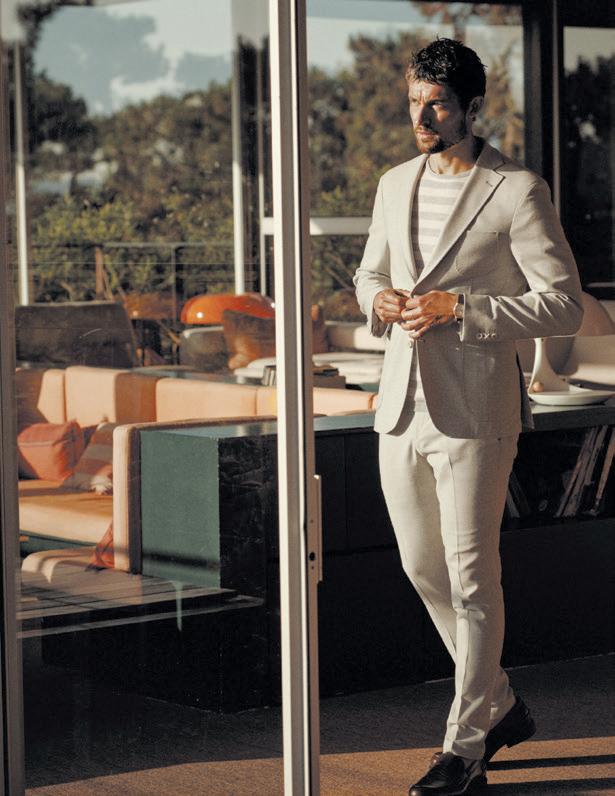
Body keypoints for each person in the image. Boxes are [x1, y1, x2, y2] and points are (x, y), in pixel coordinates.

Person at [353, 38, 583, 795]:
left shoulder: (516, 190)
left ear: (473, 107)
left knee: (472, 577)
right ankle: (500, 702)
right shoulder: (393, 183)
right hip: (400, 405)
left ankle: (464, 749)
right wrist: (380, 300)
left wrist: (465, 308)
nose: (421, 118)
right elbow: (369, 272)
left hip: (478, 409)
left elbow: (563, 303)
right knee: (422, 568)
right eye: (413, 102)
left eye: (438, 105)